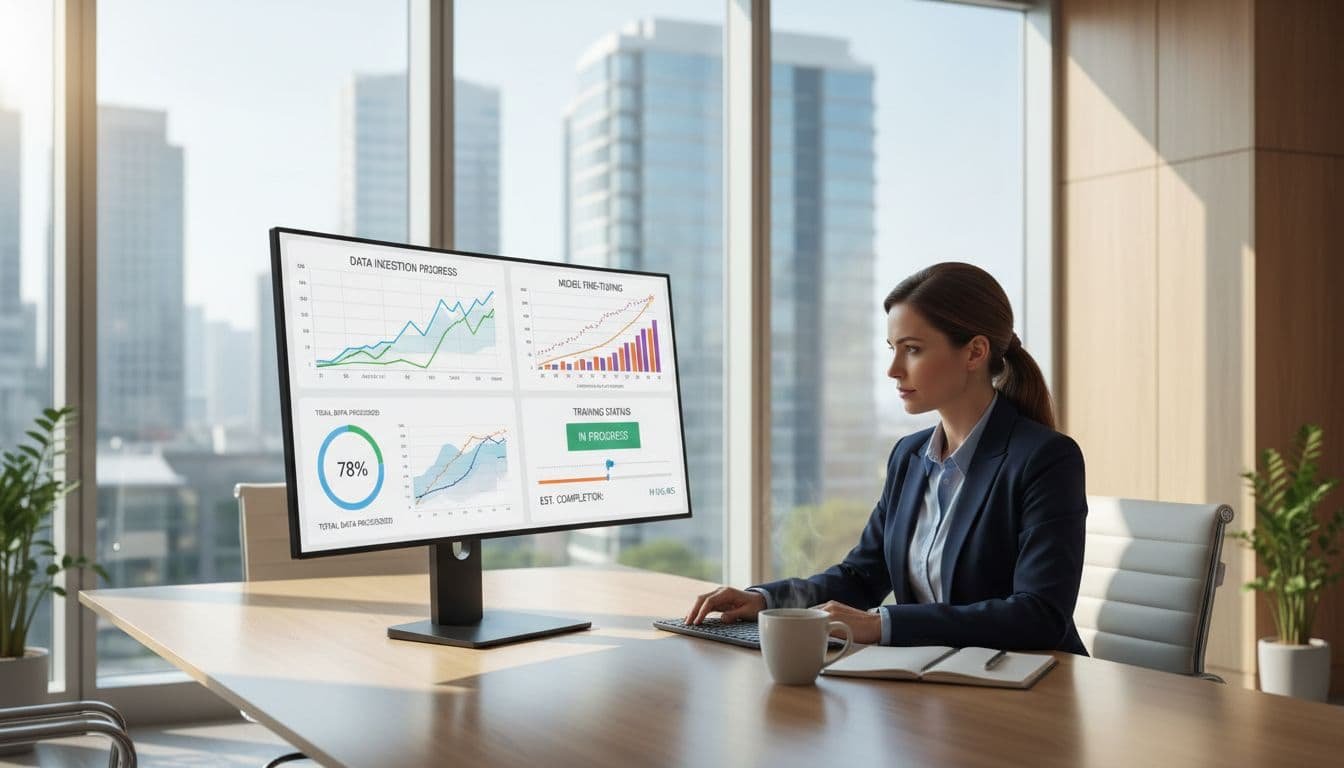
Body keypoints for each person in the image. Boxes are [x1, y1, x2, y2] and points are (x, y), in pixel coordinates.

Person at [686, 262, 1088, 653]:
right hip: (935, 684)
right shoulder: (909, 455)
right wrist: (764, 600)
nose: (893, 369)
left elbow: (1040, 615)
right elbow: (861, 576)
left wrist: (882, 625)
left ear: (974, 352)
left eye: (912, 350)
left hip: (1032, 688)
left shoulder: (1045, 460)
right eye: (893, 349)